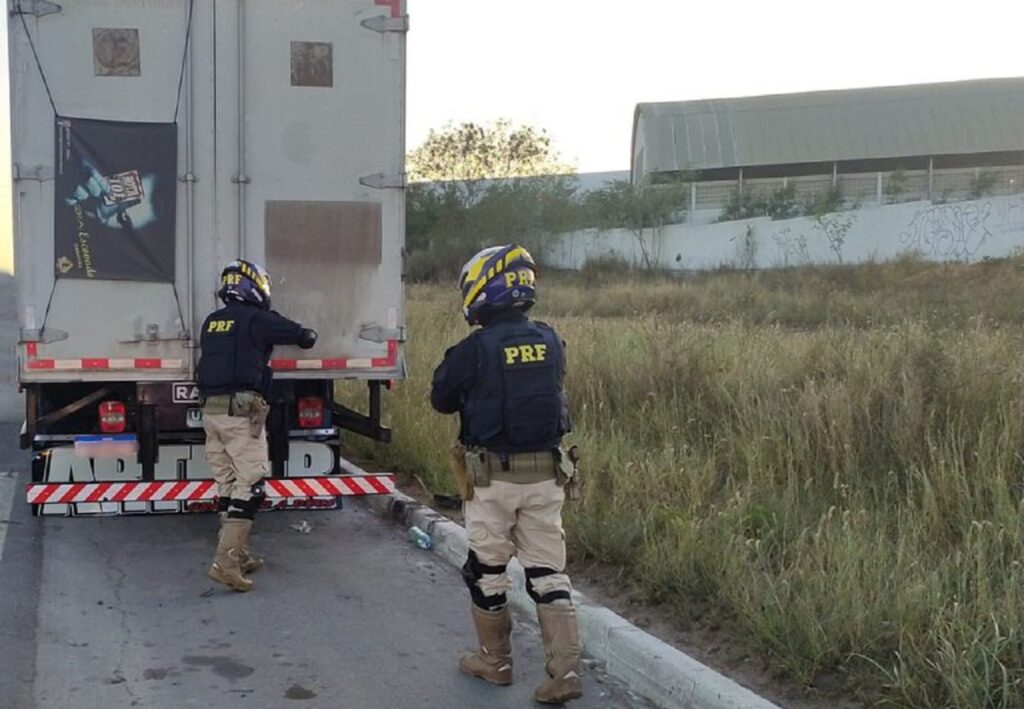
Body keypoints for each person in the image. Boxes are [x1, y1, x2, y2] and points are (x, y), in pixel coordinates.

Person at [430, 244, 583, 704]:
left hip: (492, 481)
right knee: (548, 574)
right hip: (546, 477)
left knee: (486, 571)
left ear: (482, 289)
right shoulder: (552, 339)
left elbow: (441, 399)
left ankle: (494, 663)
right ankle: (566, 672)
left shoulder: (474, 348)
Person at [196, 259, 317, 592]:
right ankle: (226, 562)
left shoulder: (212, 321)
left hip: (212, 414)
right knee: (251, 485)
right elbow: (303, 336)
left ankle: (241, 553)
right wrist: (300, 331)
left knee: (228, 484)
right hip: (239, 415)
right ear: (254, 286)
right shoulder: (258, 319)